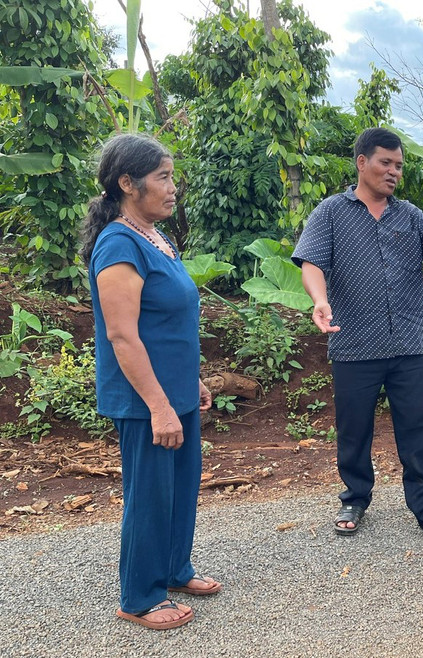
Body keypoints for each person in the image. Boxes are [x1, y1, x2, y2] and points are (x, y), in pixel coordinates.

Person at [291, 127, 423, 542]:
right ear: (362, 162)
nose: (393, 172)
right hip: (354, 342)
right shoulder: (331, 212)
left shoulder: (408, 214)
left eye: (399, 166)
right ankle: (355, 497)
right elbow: (312, 263)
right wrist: (319, 299)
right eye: (385, 163)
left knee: (419, 427)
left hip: (407, 343)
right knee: (353, 428)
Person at [81, 133, 221, 630]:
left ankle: (173, 569)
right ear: (127, 183)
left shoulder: (159, 237)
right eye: (162, 177)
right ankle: (139, 595)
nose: (172, 187)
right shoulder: (118, 243)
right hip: (144, 399)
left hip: (175, 388)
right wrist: (160, 405)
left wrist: (193, 379)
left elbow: (168, 323)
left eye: (171, 176)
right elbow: (122, 335)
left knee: (181, 486)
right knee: (150, 493)